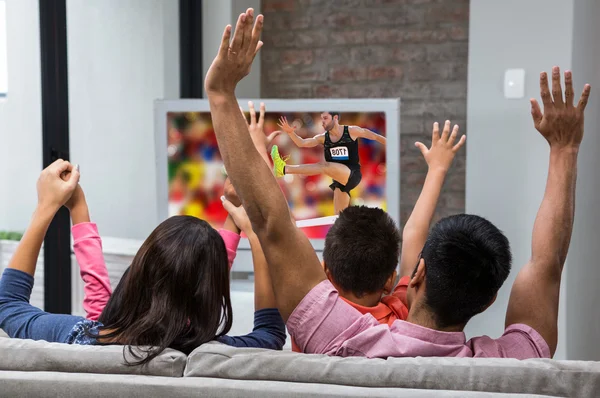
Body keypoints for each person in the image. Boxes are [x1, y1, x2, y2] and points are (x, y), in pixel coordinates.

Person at [204, 9, 590, 359]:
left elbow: (273, 224)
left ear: (415, 274)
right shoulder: (513, 364)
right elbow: (548, 265)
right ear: (489, 302)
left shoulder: (338, 340)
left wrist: (222, 95)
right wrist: (566, 149)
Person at [0, 161, 285, 367]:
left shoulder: (80, 339)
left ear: (136, 273)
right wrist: (254, 233)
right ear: (211, 294)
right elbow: (270, 333)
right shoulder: (212, 355)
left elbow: (8, 304)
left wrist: (47, 207)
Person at [288, 120, 466, 352]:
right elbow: (414, 233)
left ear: (325, 271)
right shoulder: (402, 316)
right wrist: (437, 168)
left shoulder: (312, 322)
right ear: (389, 280)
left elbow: (279, 231)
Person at [271, 112, 386, 214]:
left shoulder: (351, 130)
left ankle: (284, 169)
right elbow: (302, 143)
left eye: (325, 118)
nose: (323, 122)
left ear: (335, 118)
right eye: (322, 119)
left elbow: (374, 136)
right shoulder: (323, 137)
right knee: (339, 214)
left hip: (351, 174)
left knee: (324, 166)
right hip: (340, 182)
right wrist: (291, 133)